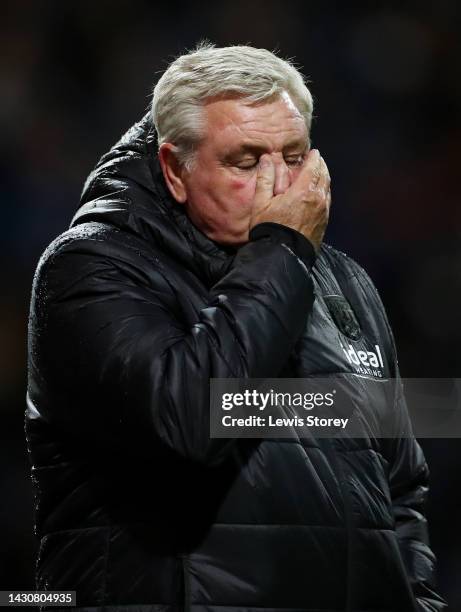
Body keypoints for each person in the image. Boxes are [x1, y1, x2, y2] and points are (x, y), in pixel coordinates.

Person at [26, 44, 447, 611]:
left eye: (294, 157)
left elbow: (399, 484)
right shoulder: (92, 269)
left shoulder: (344, 282)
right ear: (175, 168)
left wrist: (415, 599)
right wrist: (283, 251)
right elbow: (193, 420)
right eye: (245, 162)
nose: (277, 184)